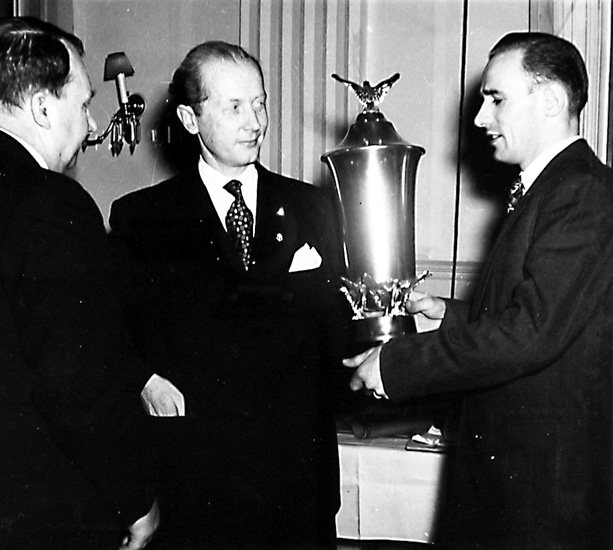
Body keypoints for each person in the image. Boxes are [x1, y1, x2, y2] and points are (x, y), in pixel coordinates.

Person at [344, 32, 613, 550]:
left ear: (551, 100)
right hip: (518, 489)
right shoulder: (552, 190)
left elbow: (529, 334)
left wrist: (396, 364)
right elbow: (537, 316)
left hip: (541, 503)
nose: (479, 119)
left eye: (496, 99)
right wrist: (446, 314)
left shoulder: (581, 193)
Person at [0, 17, 159, 549]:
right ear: (44, 108)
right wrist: (136, 502)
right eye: (84, 104)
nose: (92, 125)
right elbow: (82, 384)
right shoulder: (52, 206)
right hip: (38, 519)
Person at [109, 41, 350, 549]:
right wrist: (144, 380)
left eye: (260, 104)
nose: (255, 122)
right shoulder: (142, 218)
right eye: (235, 107)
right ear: (190, 119)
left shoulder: (312, 207)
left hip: (296, 484)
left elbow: (337, 332)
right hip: (197, 484)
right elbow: (110, 330)